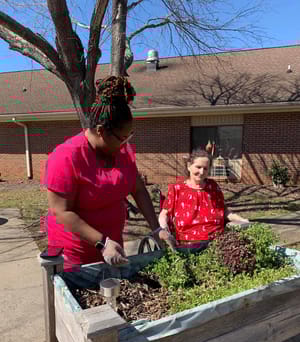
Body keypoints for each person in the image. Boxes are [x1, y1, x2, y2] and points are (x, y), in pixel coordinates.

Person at [44, 76, 172, 270]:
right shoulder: (66, 157)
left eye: (128, 137)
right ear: (101, 130)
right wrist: (102, 242)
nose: (125, 144)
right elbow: (61, 211)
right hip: (75, 251)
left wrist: (156, 228)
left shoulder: (122, 152)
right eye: (121, 138)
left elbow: (138, 189)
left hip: (112, 244)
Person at [158, 150, 249, 249]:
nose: (202, 172)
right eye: (198, 167)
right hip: (188, 244)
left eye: (205, 168)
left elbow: (224, 211)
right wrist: (164, 230)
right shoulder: (177, 188)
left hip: (217, 241)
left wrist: (242, 220)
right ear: (189, 166)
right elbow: (164, 214)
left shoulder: (212, 186)